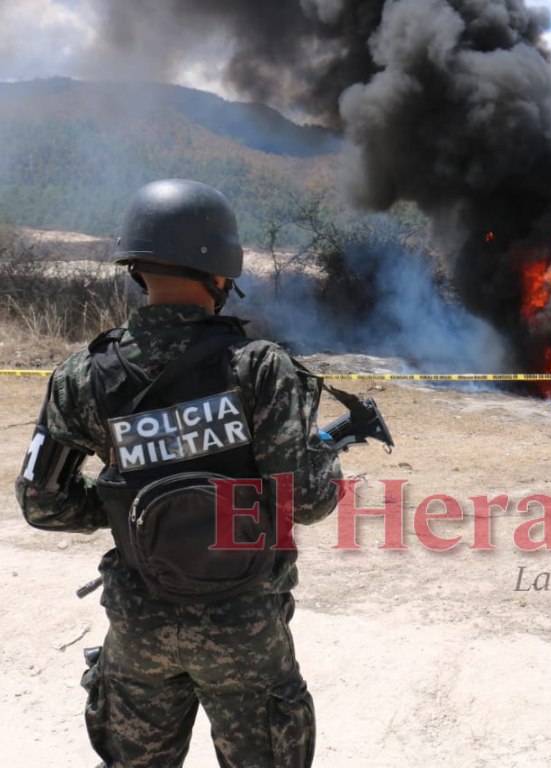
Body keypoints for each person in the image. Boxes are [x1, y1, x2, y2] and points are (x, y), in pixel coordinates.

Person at [15, 179, 343, 767]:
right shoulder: (259, 368)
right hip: (244, 626)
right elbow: (305, 501)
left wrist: (125, 504)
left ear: (137, 268)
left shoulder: (83, 375)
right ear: (221, 272)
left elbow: (43, 503)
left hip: (138, 623)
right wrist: (324, 452)